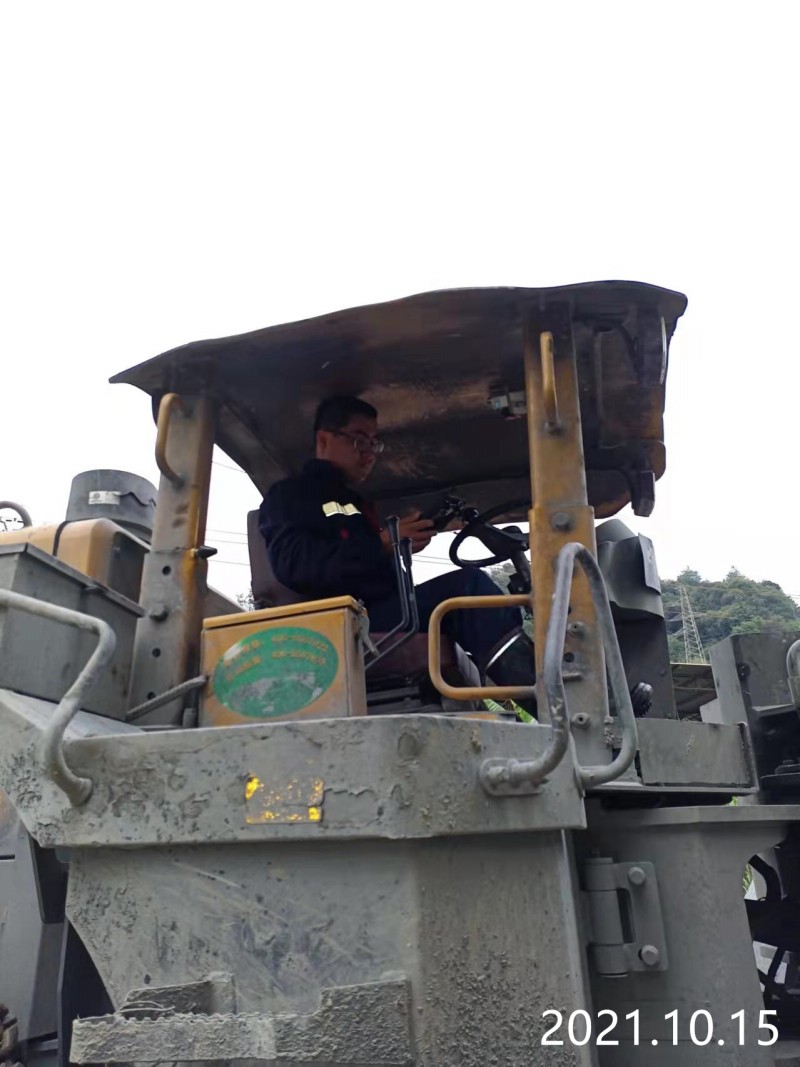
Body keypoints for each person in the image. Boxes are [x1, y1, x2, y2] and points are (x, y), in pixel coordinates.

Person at [258, 395, 537, 711]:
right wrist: (383, 543)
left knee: (473, 599)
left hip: (377, 613)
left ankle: (526, 686)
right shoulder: (291, 495)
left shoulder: (356, 503)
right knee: (468, 588)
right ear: (324, 440)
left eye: (374, 443)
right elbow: (294, 565)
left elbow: (365, 565)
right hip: (340, 624)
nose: (369, 453)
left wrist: (396, 546)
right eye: (359, 440)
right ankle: (549, 705)